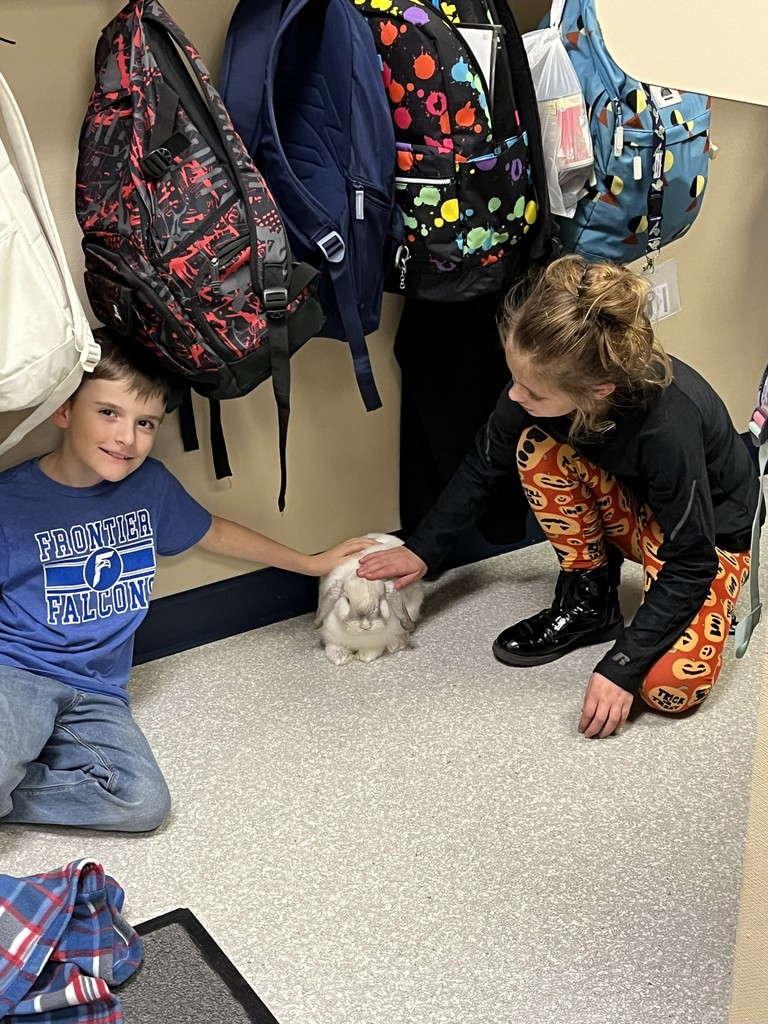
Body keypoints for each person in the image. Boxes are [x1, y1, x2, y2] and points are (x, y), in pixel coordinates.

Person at [358, 255, 759, 739]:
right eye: (516, 380)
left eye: (533, 392)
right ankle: (591, 603)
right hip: (641, 512)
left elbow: (691, 560)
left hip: (708, 537)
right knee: (535, 448)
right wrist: (421, 549)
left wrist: (622, 666)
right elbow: (485, 462)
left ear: (598, 391)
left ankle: (660, 621)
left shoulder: (668, 426)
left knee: (669, 689)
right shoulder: (541, 383)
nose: (514, 397)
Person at [0, 331, 374, 833]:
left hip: (98, 689)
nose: (126, 438)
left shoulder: (149, 486)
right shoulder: (12, 501)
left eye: (145, 423)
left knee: (141, 804)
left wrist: (311, 563)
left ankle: (11, 791)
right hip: (17, 674)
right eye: (108, 413)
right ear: (64, 410)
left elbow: (213, 531)